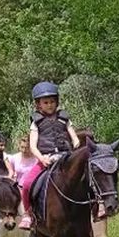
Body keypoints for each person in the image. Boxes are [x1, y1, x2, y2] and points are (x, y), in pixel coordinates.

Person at [18, 82, 80, 229]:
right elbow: (33, 146)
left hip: (65, 157)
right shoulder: (36, 122)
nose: (50, 105)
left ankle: (96, 206)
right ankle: (28, 214)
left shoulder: (64, 118)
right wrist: (42, 158)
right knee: (26, 184)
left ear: (57, 102)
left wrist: (75, 147)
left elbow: (75, 138)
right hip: (46, 158)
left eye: (52, 101)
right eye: (45, 102)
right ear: (38, 104)